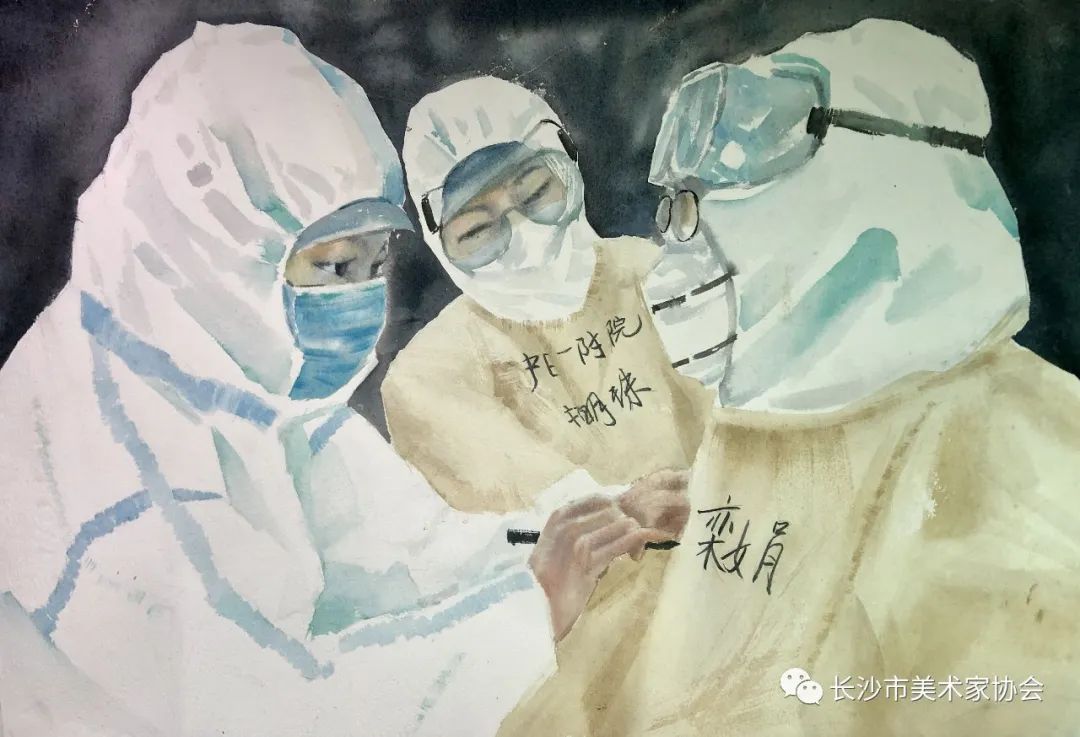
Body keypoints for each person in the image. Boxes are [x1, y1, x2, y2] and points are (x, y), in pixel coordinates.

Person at [0, 23, 663, 736]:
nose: (361, 301)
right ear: (220, 249)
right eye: (335, 267)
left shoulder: (232, 379)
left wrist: (596, 517)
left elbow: (412, 546)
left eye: (374, 264)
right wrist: (533, 607)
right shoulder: (106, 455)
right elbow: (271, 707)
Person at [499, 19, 1080, 736]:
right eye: (676, 208)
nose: (679, 244)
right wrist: (597, 611)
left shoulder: (1023, 475)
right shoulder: (757, 436)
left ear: (895, 165)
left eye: (716, 194)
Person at [383, 76, 712, 518]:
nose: (526, 237)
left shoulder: (651, 273)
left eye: (537, 192)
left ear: (569, 163)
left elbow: (741, 428)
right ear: (438, 241)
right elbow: (529, 525)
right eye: (478, 230)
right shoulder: (430, 375)